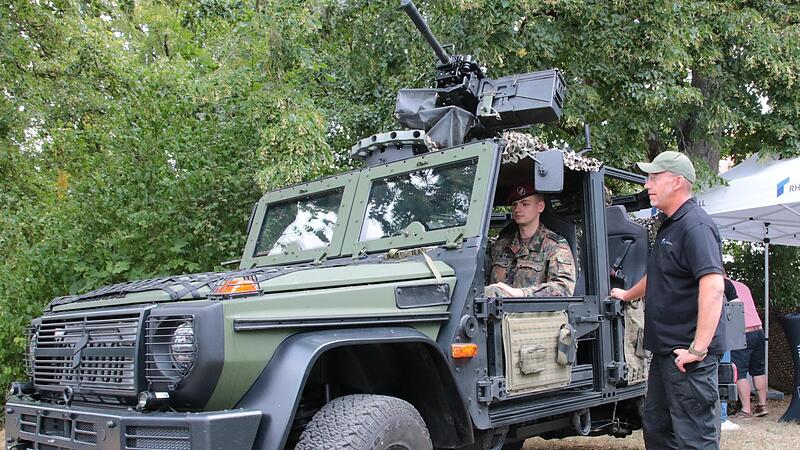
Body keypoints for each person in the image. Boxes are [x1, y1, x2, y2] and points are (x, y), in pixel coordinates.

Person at [610, 151, 726, 449]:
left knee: (694, 437)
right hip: (665, 353)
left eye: (654, 177)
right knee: (658, 431)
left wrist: (698, 349)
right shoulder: (670, 224)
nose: (647, 184)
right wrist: (627, 294)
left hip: (687, 355)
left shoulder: (695, 225)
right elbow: (658, 274)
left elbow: (714, 286)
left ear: (677, 182)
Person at [488, 182, 576, 297]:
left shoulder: (554, 246)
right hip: (494, 307)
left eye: (525, 204)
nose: (517, 209)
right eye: (514, 204)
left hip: (533, 309)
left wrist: (522, 293)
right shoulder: (500, 245)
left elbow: (563, 288)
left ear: (540, 207)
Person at [730, 279, 769, 418]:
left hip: (742, 331)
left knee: (739, 372)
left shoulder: (721, 285)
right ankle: (762, 406)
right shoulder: (742, 285)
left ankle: (746, 410)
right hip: (758, 331)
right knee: (759, 370)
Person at [721, 277, 741, 431]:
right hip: (721, 337)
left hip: (690, 337)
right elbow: (735, 310)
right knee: (723, 376)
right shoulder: (725, 283)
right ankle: (721, 418)